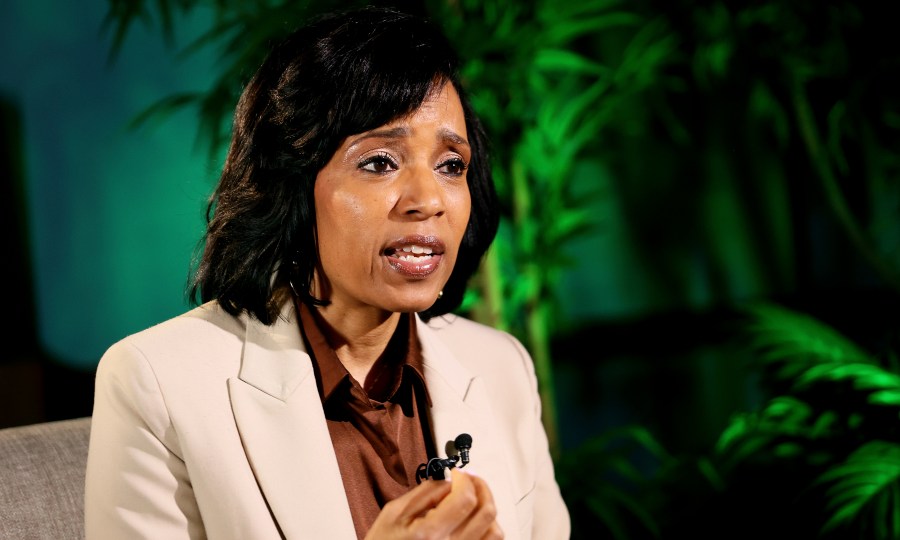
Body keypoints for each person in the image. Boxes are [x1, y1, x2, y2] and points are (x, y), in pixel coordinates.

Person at [84, 5, 570, 540]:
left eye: (451, 165)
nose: (429, 199)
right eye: (380, 162)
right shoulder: (156, 382)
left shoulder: (501, 366)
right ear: (292, 184)